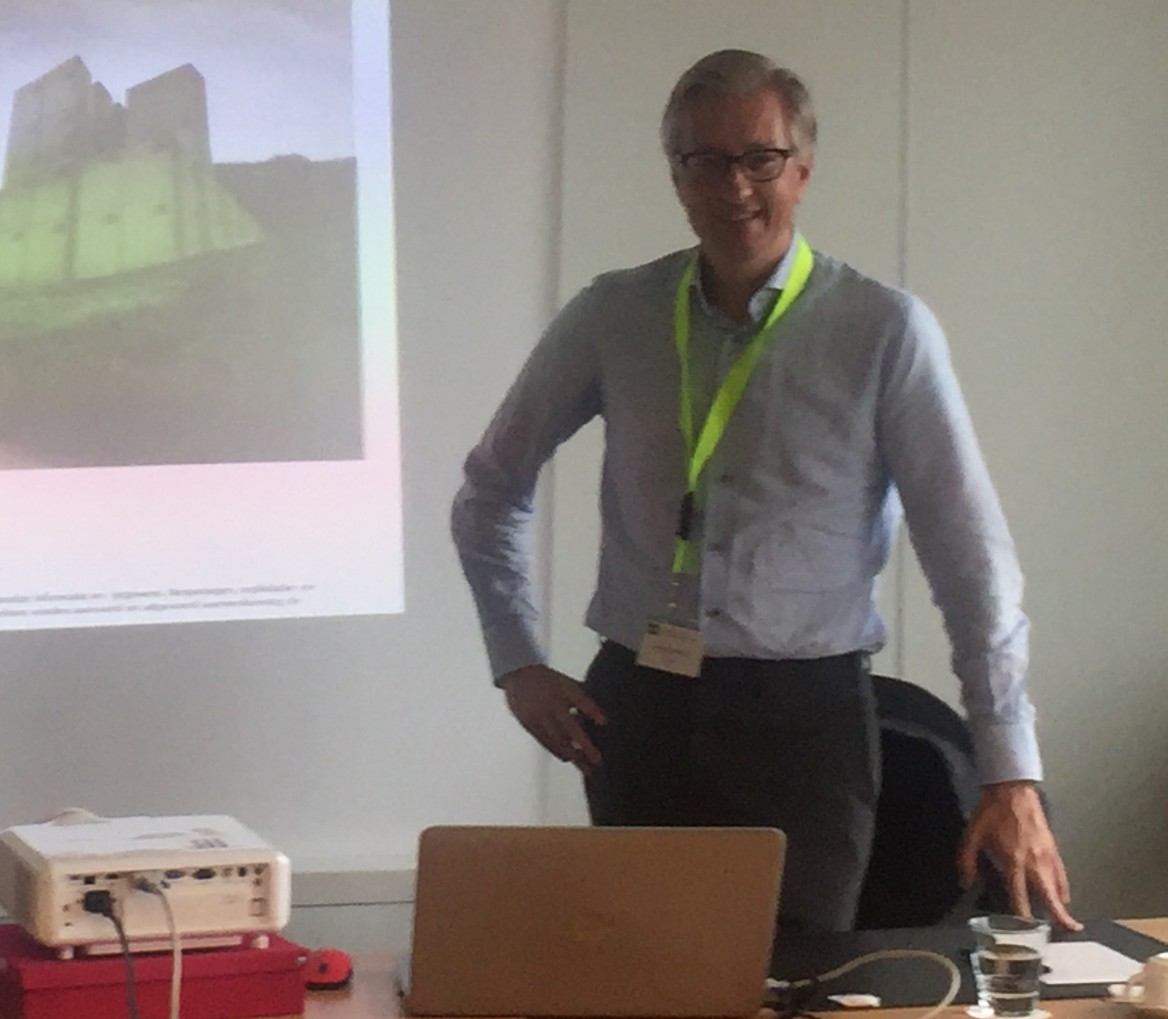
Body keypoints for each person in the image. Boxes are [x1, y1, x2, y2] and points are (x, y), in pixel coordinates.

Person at [451, 48, 1076, 935]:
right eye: (704, 160)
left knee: (799, 981)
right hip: (640, 708)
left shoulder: (883, 331)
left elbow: (969, 556)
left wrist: (1010, 768)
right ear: (676, 176)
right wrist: (517, 660)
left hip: (805, 722)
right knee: (647, 971)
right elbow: (489, 491)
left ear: (802, 170)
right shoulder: (613, 315)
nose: (734, 185)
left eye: (760, 158)